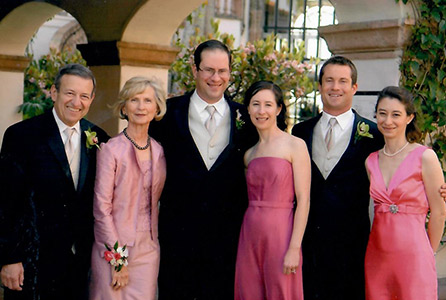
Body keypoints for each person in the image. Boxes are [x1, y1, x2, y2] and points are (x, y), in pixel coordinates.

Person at [291, 56, 446, 300]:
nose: (335, 87)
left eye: (343, 81)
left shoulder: (374, 134)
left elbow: (411, 177)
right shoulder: (300, 132)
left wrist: (438, 191)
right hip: (311, 244)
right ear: (320, 85)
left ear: (354, 87)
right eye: (329, 80)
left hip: (356, 247)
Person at [150, 39, 257, 300]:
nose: (215, 78)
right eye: (209, 70)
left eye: (222, 71)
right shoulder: (166, 114)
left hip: (226, 237)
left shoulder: (246, 117)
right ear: (195, 70)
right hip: (177, 234)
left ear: (230, 72)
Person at [0, 64, 109, 300]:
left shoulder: (100, 138)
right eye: (70, 93)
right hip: (32, 264)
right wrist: (10, 258)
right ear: (53, 92)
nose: (76, 102)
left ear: (91, 99)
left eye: (84, 96)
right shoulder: (21, 136)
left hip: (79, 264)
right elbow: (7, 202)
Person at [364, 86, 446, 300]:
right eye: (382, 113)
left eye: (396, 114)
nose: (387, 121)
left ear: (409, 118)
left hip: (415, 258)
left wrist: (429, 252)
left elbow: (438, 212)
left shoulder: (425, 157)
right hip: (377, 258)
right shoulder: (370, 161)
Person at [89, 77, 166, 299]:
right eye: (134, 100)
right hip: (114, 246)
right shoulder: (110, 150)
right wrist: (117, 259)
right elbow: (101, 209)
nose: (141, 107)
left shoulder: (159, 151)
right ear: (124, 107)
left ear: (157, 107)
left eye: (147, 100)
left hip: (148, 250)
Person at [234, 81, 310, 300]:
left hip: (281, 234)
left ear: (278, 109)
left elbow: (304, 200)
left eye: (268, 104)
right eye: (255, 104)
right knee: (249, 292)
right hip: (250, 233)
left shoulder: (295, 145)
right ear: (248, 108)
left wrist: (294, 248)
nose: (261, 111)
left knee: (281, 292)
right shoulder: (249, 154)